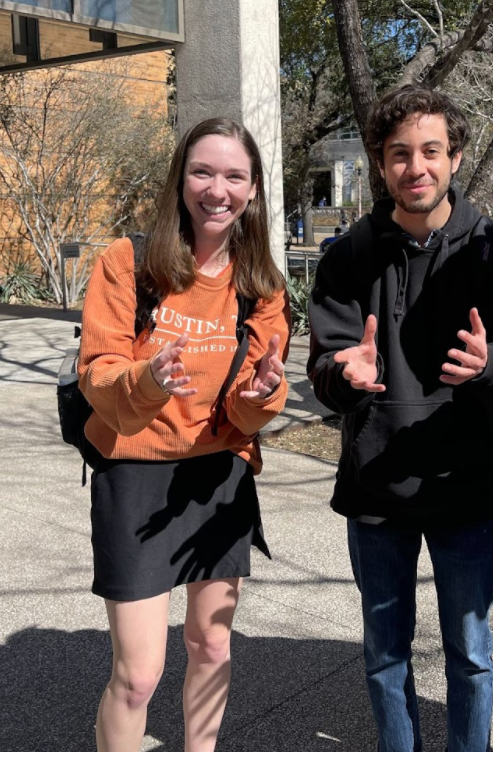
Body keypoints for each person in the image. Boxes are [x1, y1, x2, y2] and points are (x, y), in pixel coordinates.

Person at [307, 84, 493, 751]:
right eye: (400, 153)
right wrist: (345, 378)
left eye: (431, 151)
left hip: (465, 484)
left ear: (455, 157)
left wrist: (488, 365)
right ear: (380, 164)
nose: (417, 167)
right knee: (385, 654)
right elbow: (325, 369)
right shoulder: (348, 257)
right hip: (376, 487)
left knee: (471, 653)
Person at [78, 117, 291, 751]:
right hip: (135, 475)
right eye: (203, 171)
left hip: (218, 476)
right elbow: (98, 373)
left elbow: (251, 404)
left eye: (234, 176)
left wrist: (263, 396)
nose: (217, 189)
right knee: (139, 674)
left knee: (211, 642)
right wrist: (148, 379)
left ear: (252, 190)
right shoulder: (129, 263)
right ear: (181, 179)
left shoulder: (260, 286)